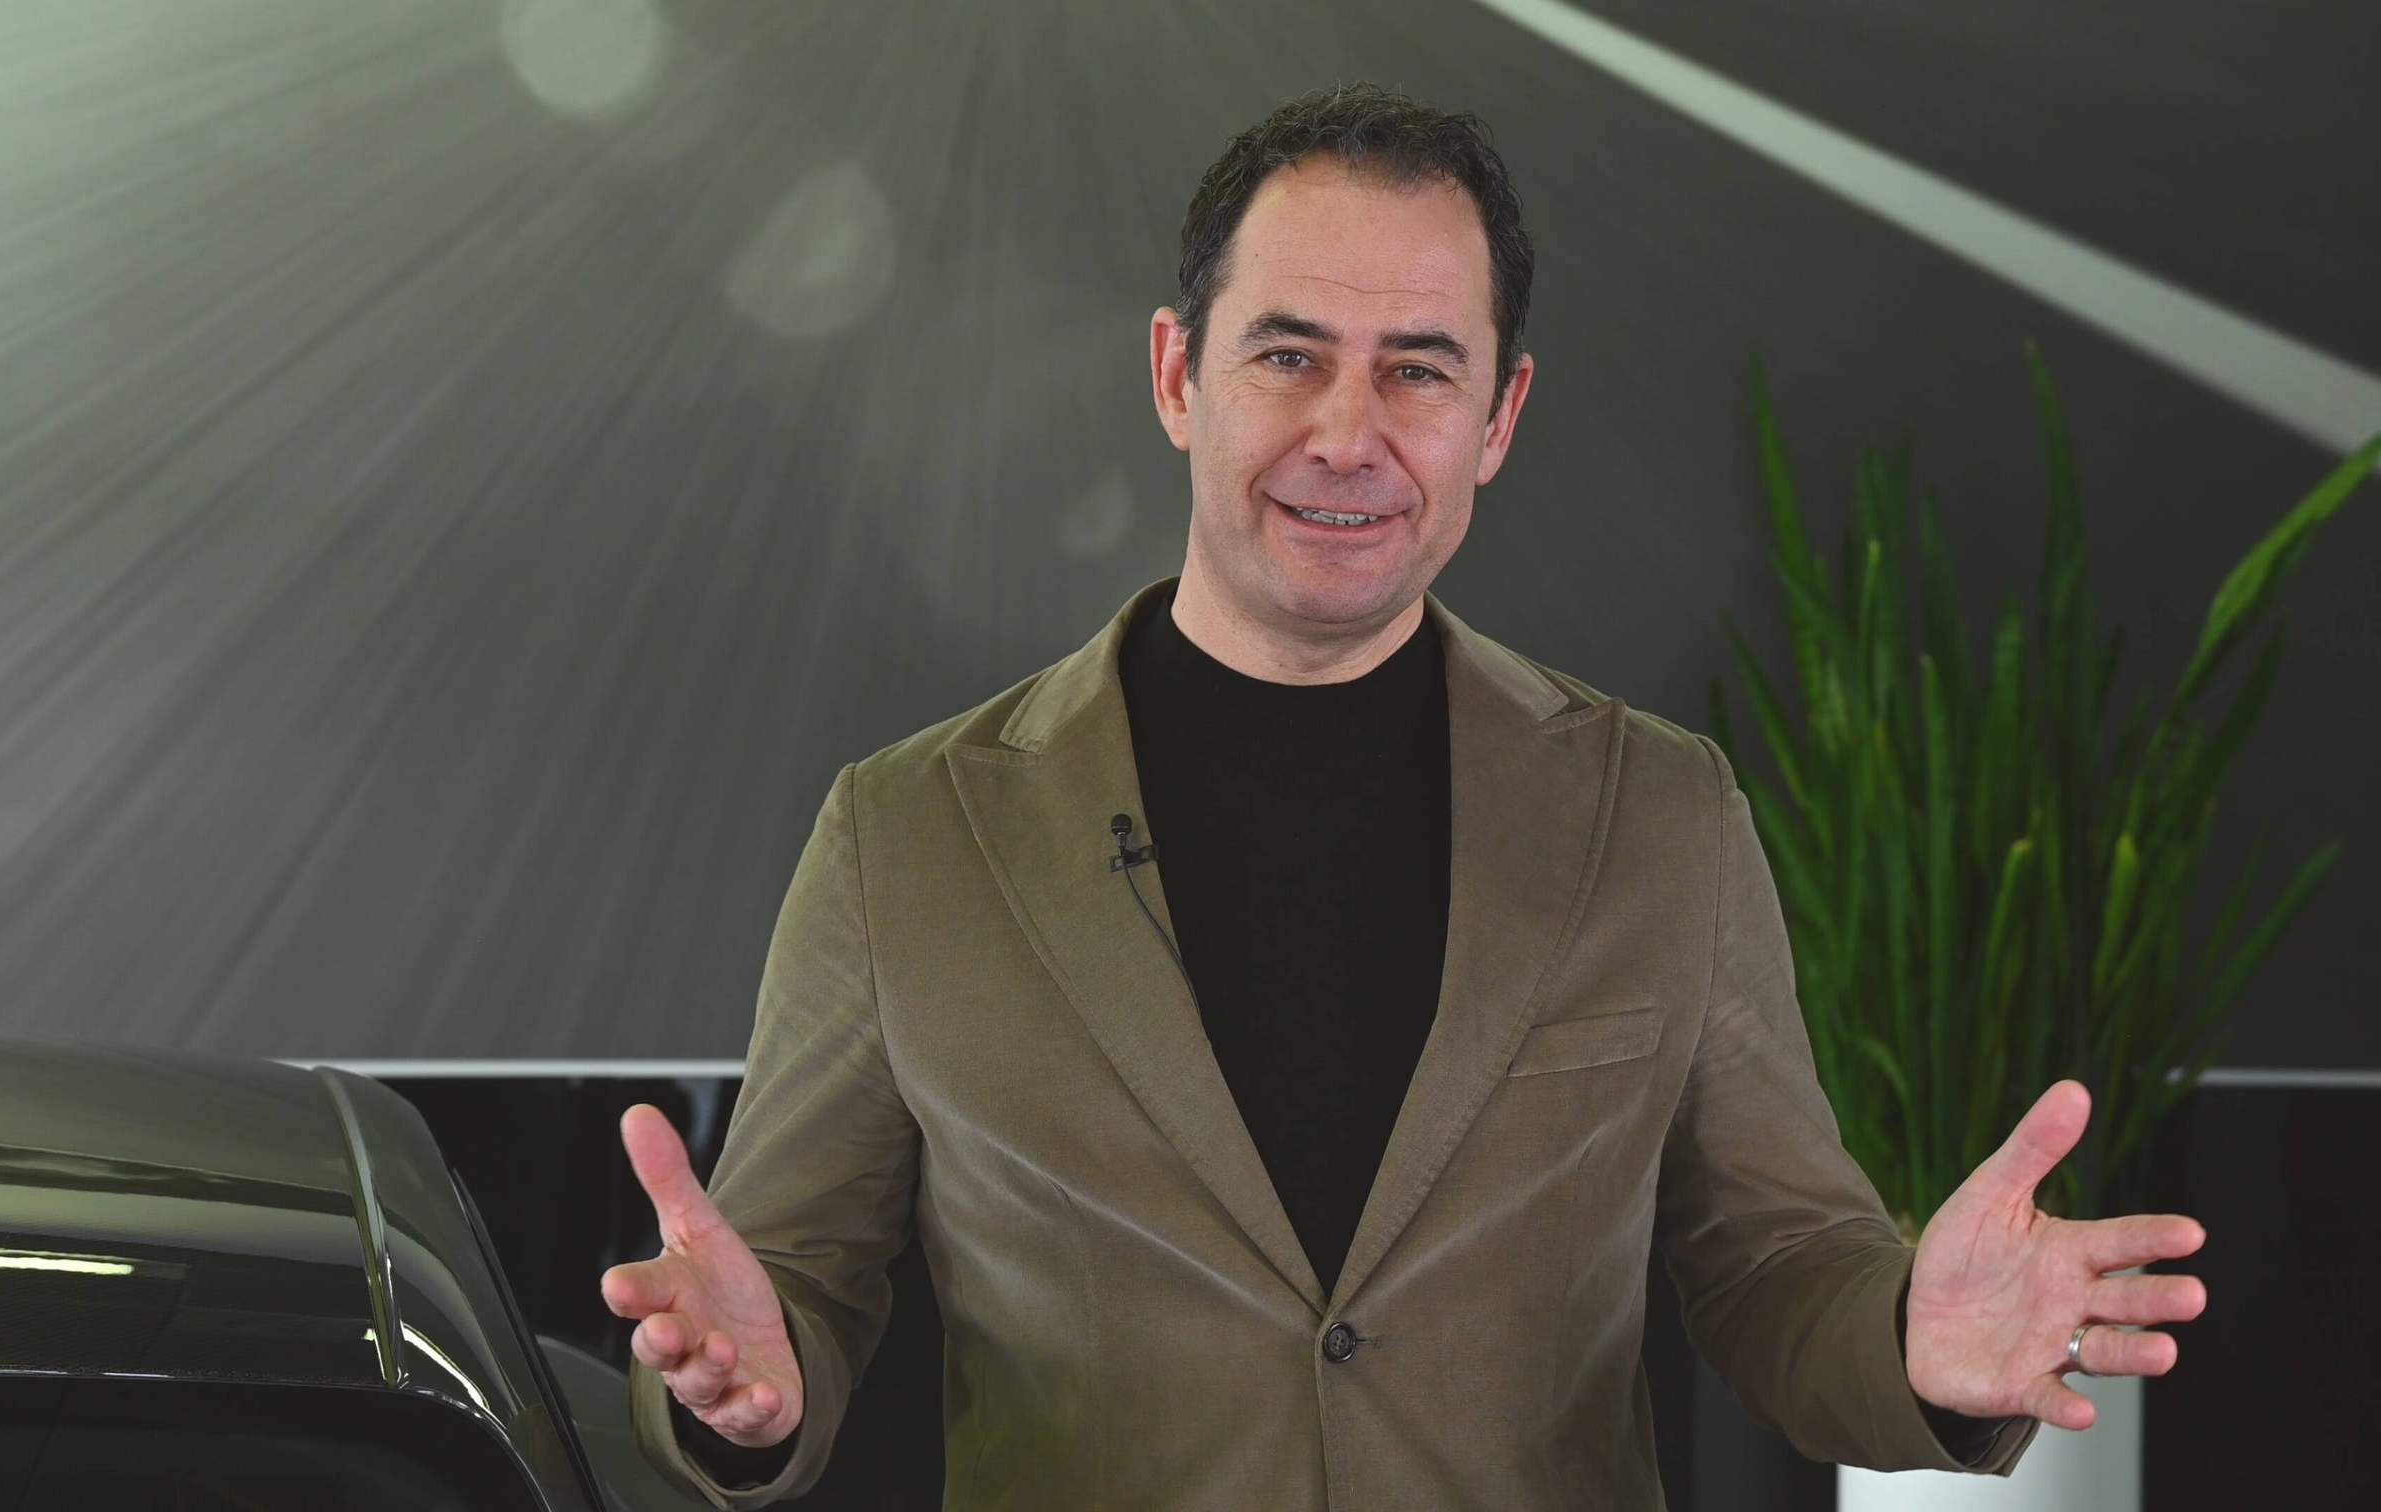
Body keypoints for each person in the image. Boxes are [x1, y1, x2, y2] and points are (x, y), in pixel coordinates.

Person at [598, 83, 2209, 1509]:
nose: (1347, 434)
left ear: (1498, 418)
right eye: (1287, 354)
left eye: (1418, 372)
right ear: (1178, 374)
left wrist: (1910, 1338)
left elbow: (1775, 1265)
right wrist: (737, 1383)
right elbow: (783, 1297)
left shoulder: (1659, 812)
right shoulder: (907, 835)